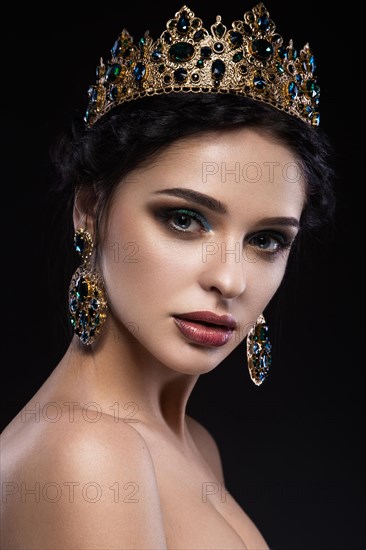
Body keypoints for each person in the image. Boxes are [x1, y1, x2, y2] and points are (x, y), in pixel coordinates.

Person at [1, 3, 335, 549]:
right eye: (184, 219)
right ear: (89, 208)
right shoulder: (88, 453)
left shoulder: (193, 445)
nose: (230, 279)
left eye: (266, 240)